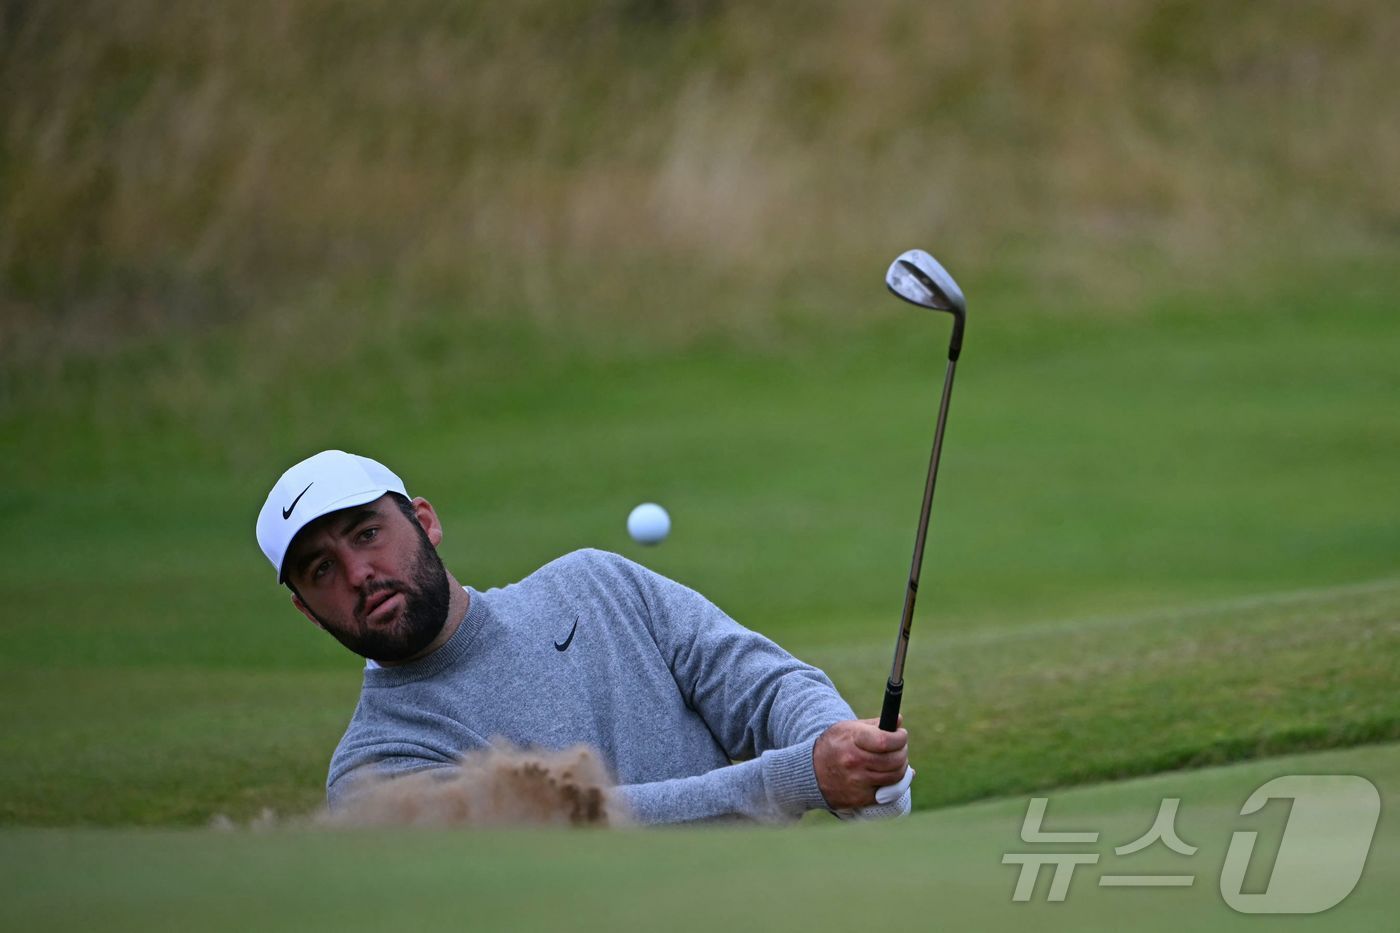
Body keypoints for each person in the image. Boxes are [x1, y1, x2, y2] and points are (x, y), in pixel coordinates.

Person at [256, 450, 914, 824]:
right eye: (322, 570)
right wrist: (800, 777)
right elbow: (572, 830)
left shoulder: (595, 585)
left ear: (424, 521)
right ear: (307, 611)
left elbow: (760, 683)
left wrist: (847, 750)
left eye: (367, 533)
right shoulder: (373, 773)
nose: (359, 573)